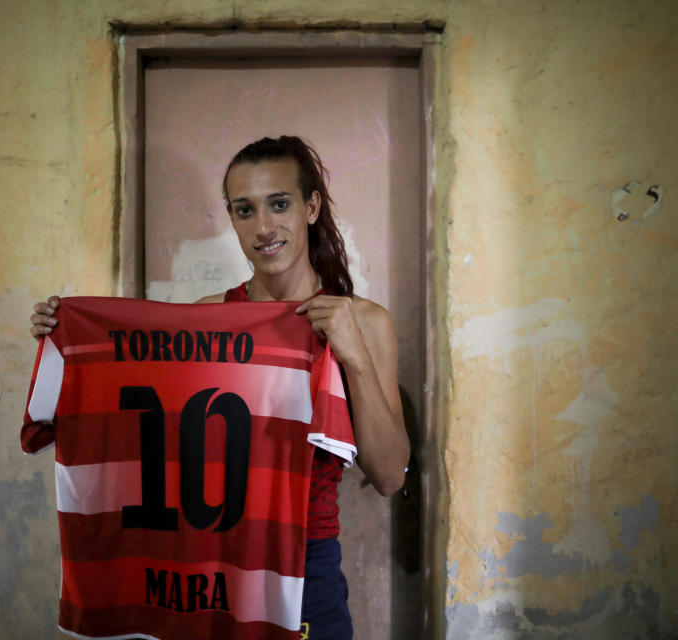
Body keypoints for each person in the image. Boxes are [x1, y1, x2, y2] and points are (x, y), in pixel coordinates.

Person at [29, 135, 409, 640]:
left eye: (279, 204)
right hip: (205, 560)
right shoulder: (209, 319)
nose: (264, 227)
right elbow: (139, 423)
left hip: (305, 563)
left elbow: (388, 477)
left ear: (311, 206)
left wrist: (354, 356)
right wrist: (69, 337)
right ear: (230, 217)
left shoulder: (363, 321)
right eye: (244, 210)